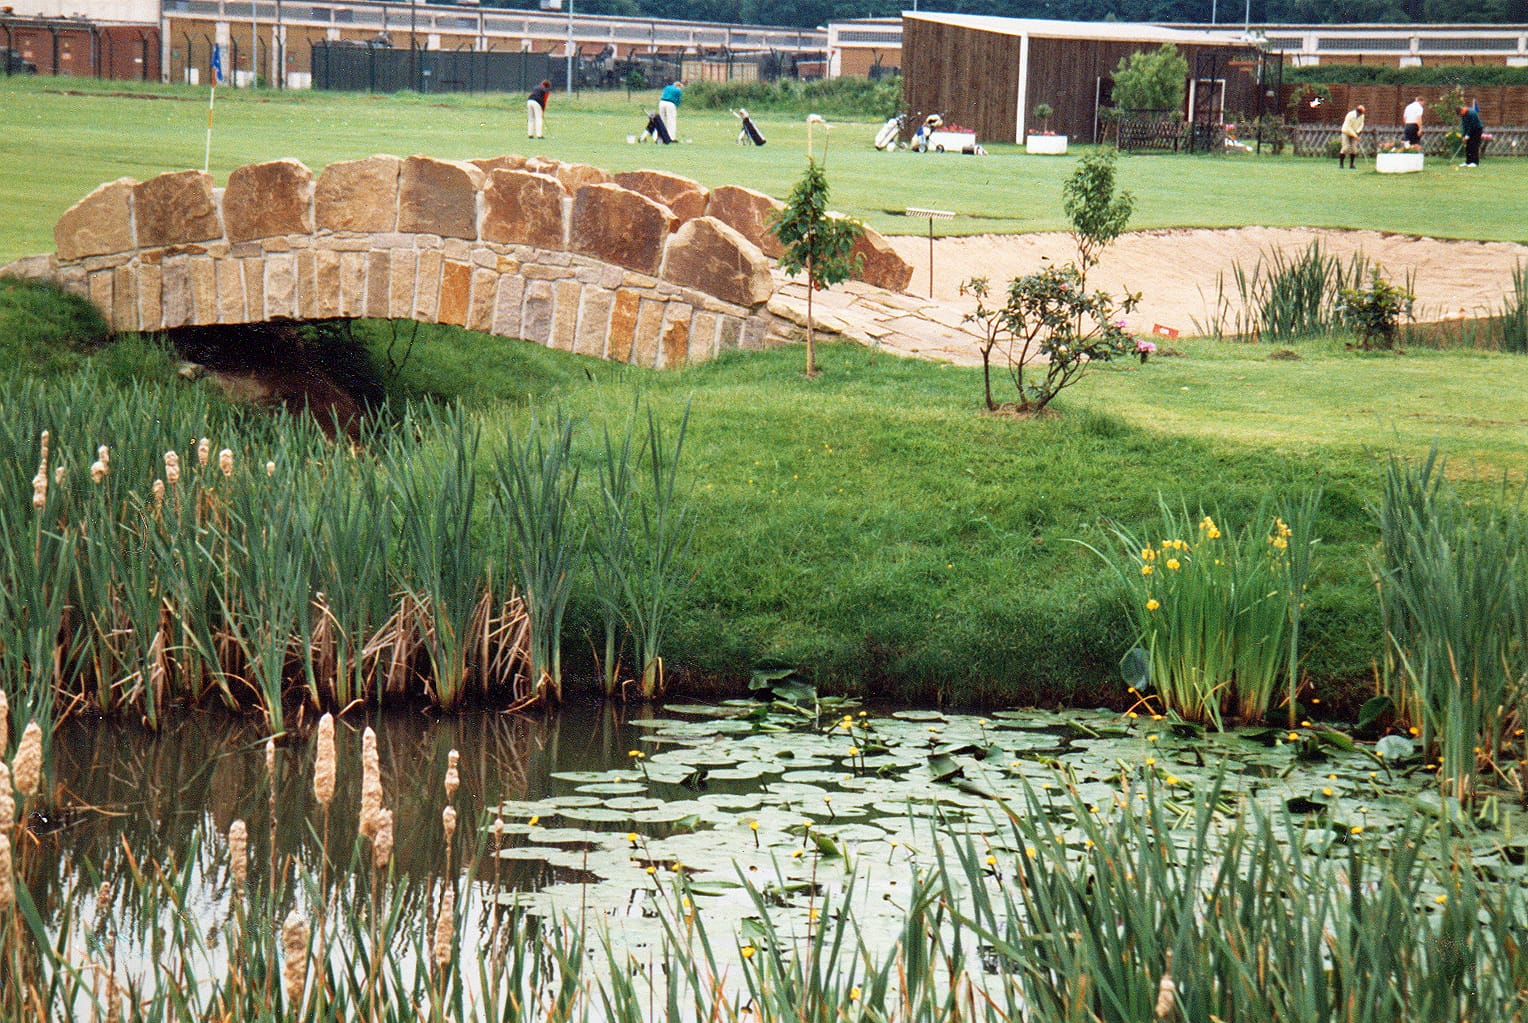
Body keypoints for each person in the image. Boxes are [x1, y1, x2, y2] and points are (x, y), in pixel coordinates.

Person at [1338, 104, 1365, 168]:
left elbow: (1361, 124)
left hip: (1355, 133)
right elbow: (1348, 127)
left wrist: (1357, 132)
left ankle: (1351, 164)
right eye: (1360, 113)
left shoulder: (1362, 116)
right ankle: (1341, 164)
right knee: (1345, 148)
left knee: (1354, 149)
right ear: (1357, 111)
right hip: (1346, 132)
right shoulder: (1350, 115)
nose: (1360, 114)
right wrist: (1355, 135)